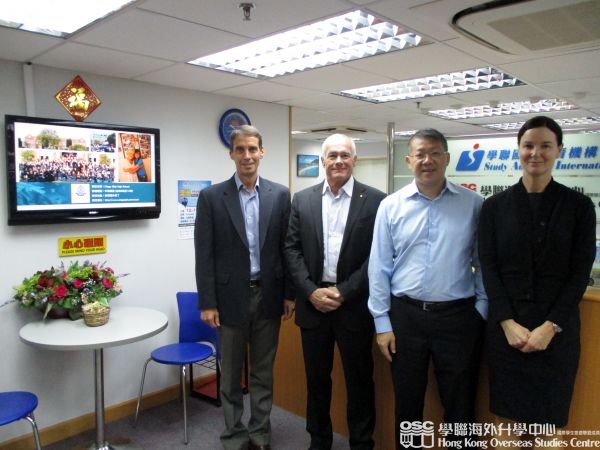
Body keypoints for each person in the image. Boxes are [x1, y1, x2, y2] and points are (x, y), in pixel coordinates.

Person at [478, 116, 596, 444]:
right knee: (506, 424)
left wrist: (550, 327)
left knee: (548, 428)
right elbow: (489, 268)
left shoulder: (579, 207)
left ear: (559, 150)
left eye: (545, 145)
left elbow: (579, 273)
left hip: (556, 336)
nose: (536, 153)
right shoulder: (494, 207)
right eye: (528, 145)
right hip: (506, 333)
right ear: (518, 150)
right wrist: (506, 322)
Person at [368, 128, 487, 449]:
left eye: (435, 153)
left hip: (458, 320)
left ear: (447, 159)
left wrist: (480, 312)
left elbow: (483, 263)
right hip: (405, 319)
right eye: (420, 154)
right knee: (408, 405)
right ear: (409, 161)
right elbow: (378, 267)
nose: (427, 160)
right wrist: (382, 323)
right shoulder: (391, 206)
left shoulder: (473, 204)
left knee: (460, 406)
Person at [194, 125, 295, 450]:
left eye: (253, 149)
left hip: (268, 296)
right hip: (228, 299)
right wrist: (207, 302)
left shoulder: (279, 194)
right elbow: (204, 254)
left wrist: (289, 294)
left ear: (262, 152)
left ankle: (259, 433)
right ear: (232, 154)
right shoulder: (212, 197)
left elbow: (287, 249)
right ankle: (234, 435)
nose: (247, 156)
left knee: (263, 373)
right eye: (241, 150)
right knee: (232, 373)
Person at [285, 133, 385, 450]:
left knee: (359, 382)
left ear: (354, 161)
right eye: (332, 155)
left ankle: (361, 442)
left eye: (345, 155)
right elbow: (291, 250)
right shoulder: (302, 200)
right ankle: (319, 440)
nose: (338, 161)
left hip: (353, 306)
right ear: (322, 161)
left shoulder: (376, 200)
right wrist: (311, 292)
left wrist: (344, 291)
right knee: (317, 382)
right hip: (313, 306)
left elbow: (378, 256)